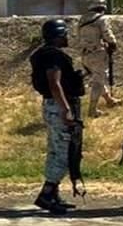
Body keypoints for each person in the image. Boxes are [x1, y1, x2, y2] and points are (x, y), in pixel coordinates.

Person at [29, 18, 85, 215]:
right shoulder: (53, 56)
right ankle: (47, 193)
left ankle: (54, 195)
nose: (67, 37)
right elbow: (55, 84)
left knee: (55, 149)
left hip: (52, 105)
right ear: (58, 35)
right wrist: (66, 109)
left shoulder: (42, 54)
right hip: (59, 106)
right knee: (62, 152)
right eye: (65, 34)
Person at [77, 0, 122, 117]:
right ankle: (92, 110)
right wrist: (113, 44)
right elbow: (107, 34)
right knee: (98, 81)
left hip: (85, 54)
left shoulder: (83, 19)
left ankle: (109, 100)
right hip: (98, 53)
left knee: (98, 78)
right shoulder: (101, 19)